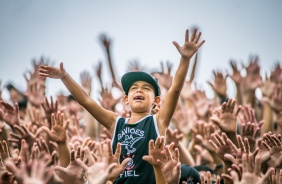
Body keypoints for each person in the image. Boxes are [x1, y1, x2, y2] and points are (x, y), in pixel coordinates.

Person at [38, 28, 205, 184]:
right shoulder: (115, 123)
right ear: (126, 99)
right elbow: (86, 100)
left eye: (146, 88)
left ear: (157, 101)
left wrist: (184, 59)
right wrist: (64, 76)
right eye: (134, 88)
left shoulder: (158, 121)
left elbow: (175, 90)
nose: (139, 90)